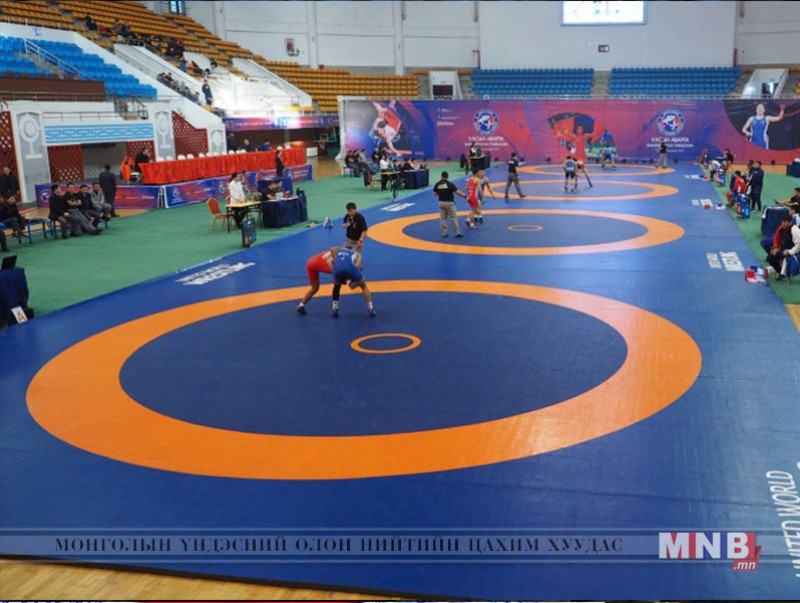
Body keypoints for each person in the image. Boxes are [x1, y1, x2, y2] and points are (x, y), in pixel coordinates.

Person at [331, 246, 376, 318]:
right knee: (363, 284)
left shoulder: (339, 252)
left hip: (337, 270)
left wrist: (335, 263)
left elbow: (332, 250)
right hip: (349, 268)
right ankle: (370, 308)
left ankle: (335, 308)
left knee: (337, 286)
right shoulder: (356, 253)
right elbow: (357, 265)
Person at [296, 248, 336, 314]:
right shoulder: (337, 255)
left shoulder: (336, 251)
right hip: (315, 264)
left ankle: (301, 305)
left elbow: (331, 251)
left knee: (314, 288)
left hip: (310, 263)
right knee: (339, 273)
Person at [766, 215, 800, 280]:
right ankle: (781, 272)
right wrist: (775, 248)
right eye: (782, 222)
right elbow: (776, 238)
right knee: (770, 258)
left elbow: (798, 246)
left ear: (790, 222)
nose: (783, 224)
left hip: (794, 252)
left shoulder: (795, 231)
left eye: (785, 222)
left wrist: (789, 252)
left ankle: (783, 273)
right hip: (783, 250)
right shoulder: (781, 228)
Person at [433, 171, 466, 238]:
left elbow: (434, 193)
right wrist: (464, 196)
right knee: (453, 218)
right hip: (449, 203)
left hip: (441, 202)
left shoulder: (437, 184)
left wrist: (441, 193)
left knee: (443, 219)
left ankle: (444, 233)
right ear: (447, 177)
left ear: (441, 176)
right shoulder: (449, 184)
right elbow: (457, 192)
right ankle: (457, 233)